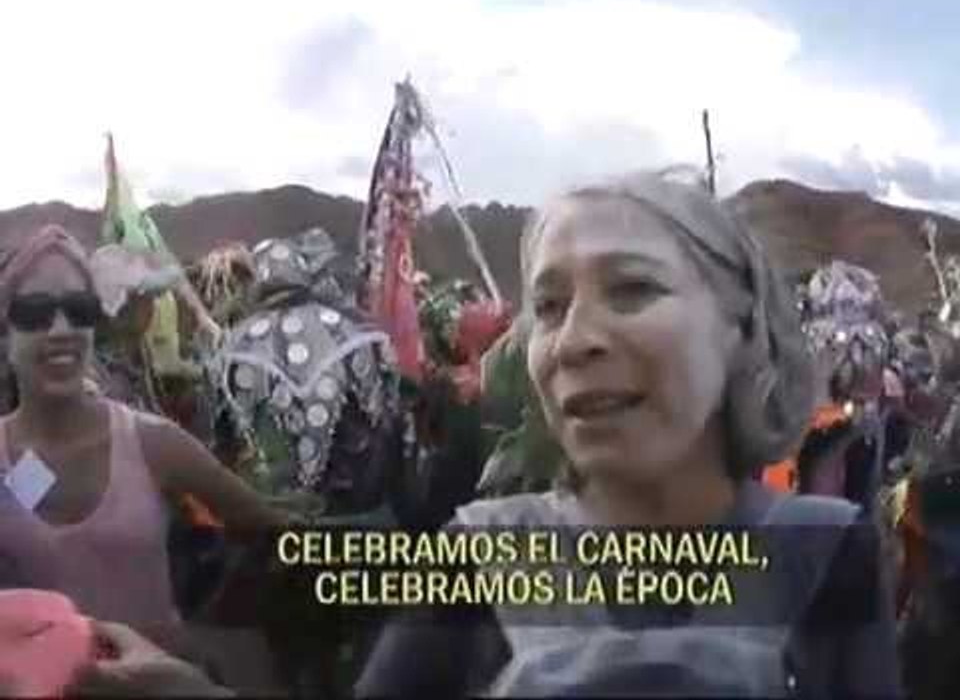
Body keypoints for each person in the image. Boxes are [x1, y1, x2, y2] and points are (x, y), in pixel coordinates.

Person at [68, 170, 904, 698]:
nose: (573, 339)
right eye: (548, 306)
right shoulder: (482, 556)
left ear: (742, 326)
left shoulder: (826, 550)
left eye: (632, 289)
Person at [0, 224, 287, 641]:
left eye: (79, 309)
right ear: (6, 331)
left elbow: (276, 534)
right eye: (34, 312)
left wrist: (207, 647)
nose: (61, 329)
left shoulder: (152, 443)